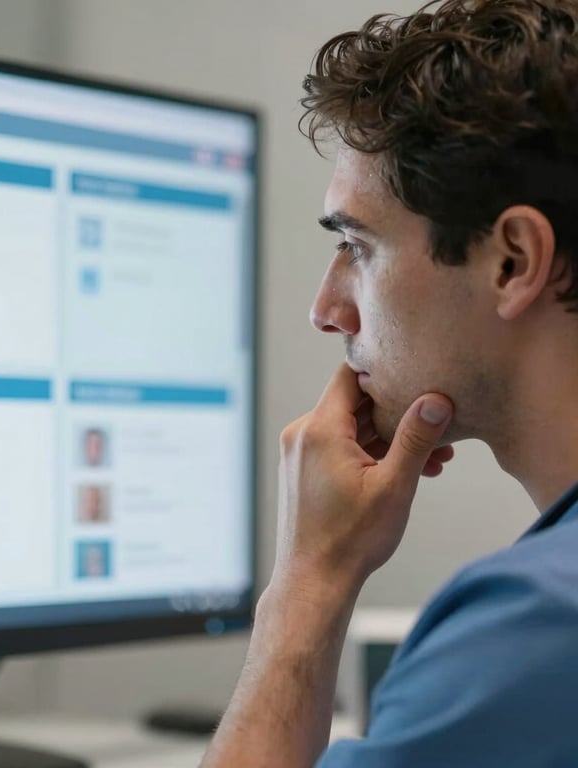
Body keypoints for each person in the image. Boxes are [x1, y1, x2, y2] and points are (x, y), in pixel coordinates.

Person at [202, 1, 578, 766]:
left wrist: (308, 582)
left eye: (358, 247)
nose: (325, 310)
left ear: (511, 261)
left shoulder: (538, 627)